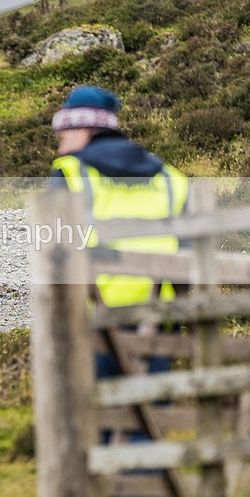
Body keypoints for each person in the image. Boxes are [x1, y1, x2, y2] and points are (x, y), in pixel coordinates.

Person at [49, 85, 189, 444]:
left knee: (97, 428)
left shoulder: (71, 173)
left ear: (85, 129)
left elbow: (55, 251)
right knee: (147, 423)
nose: (59, 139)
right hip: (158, 319)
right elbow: (189, 253)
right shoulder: (171, 178)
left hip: (95, 318)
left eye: (64, 129)